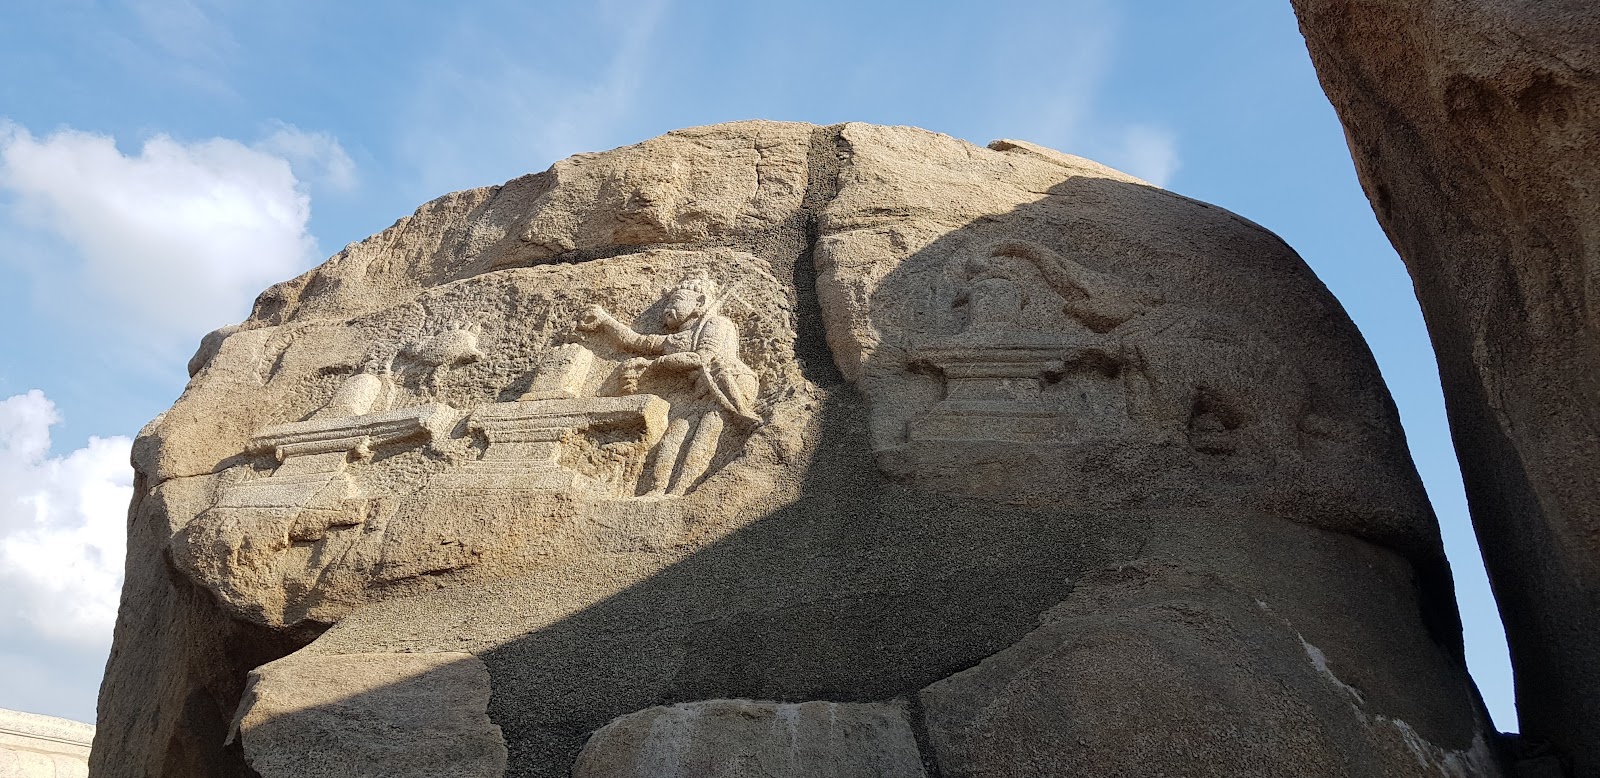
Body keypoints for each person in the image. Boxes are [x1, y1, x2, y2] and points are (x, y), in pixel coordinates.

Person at [578, 277, 760, 496]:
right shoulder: (673, 340)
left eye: (677, 300)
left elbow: (702, 358)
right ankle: (657, 490)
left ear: (699, 302)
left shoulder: (716, 323)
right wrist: (605, 320)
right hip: (701, 392)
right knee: (671, 438)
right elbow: (635, 341)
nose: (668, 307)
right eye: (668, 302)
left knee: (702, 438)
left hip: (728, 383)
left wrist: (653, 365)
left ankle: (682, 491)